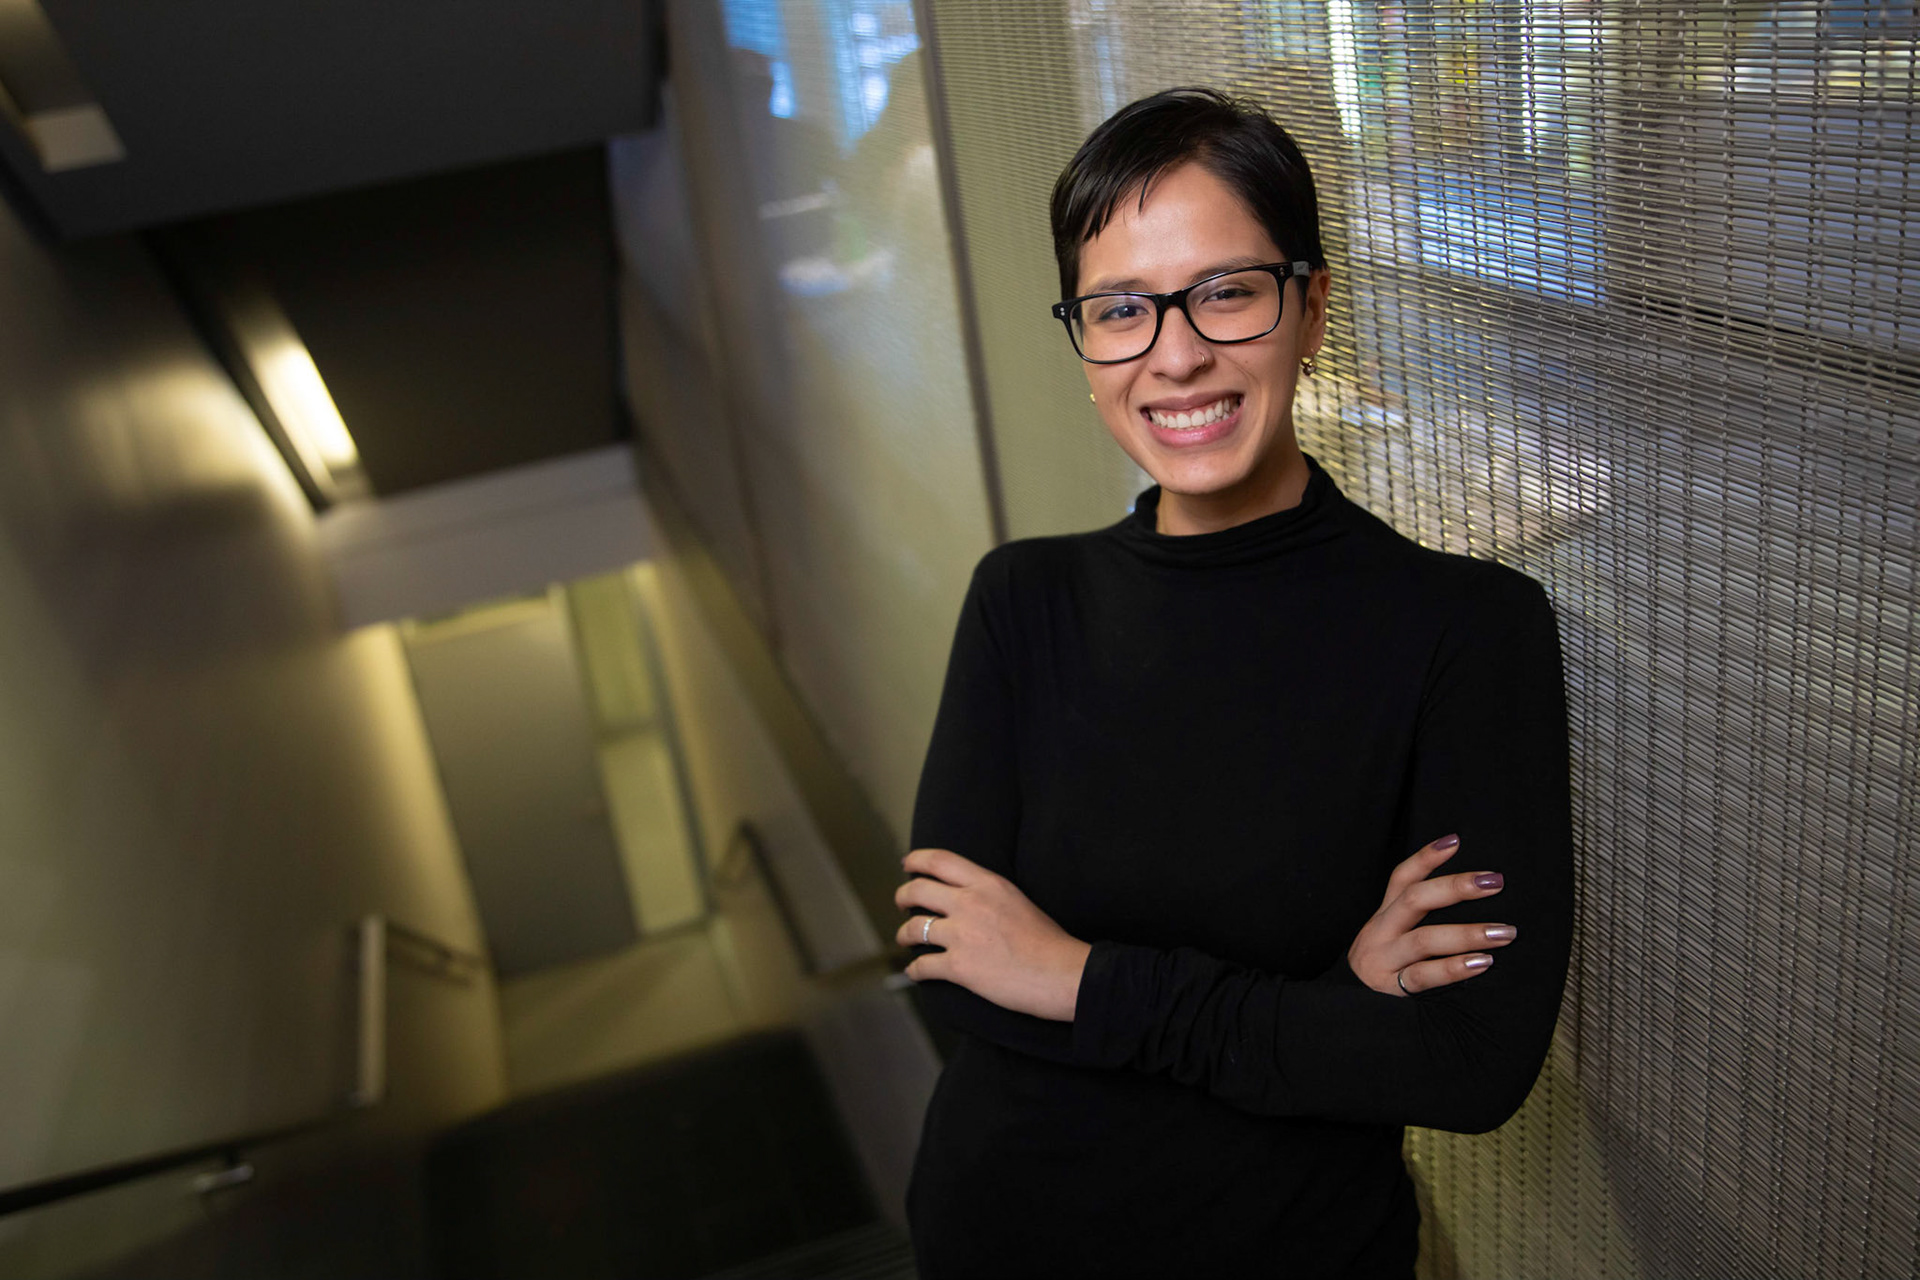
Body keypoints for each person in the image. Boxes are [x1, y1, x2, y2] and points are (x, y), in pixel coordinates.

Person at [892, 88, 1572, 1278]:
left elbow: (1467, 1063)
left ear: (1312, 305)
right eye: (1120, 309)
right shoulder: (1022, 602)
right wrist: (1322, 1002)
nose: (1176, 352)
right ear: (1082, 340)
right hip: (992, 1234)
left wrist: (1074, 974)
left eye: (1227, 291)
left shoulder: (1463, 629)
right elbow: (959, 980)